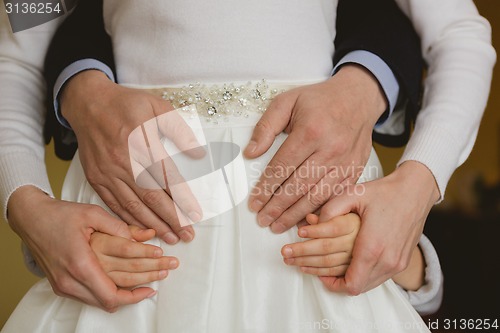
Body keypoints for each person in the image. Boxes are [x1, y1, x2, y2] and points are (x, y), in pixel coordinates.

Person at [0, 0, 494, 332]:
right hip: (133, 236)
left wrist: (418, 182)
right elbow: (19, 49)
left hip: (313, 232)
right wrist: (26, 203)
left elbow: (459, 34)